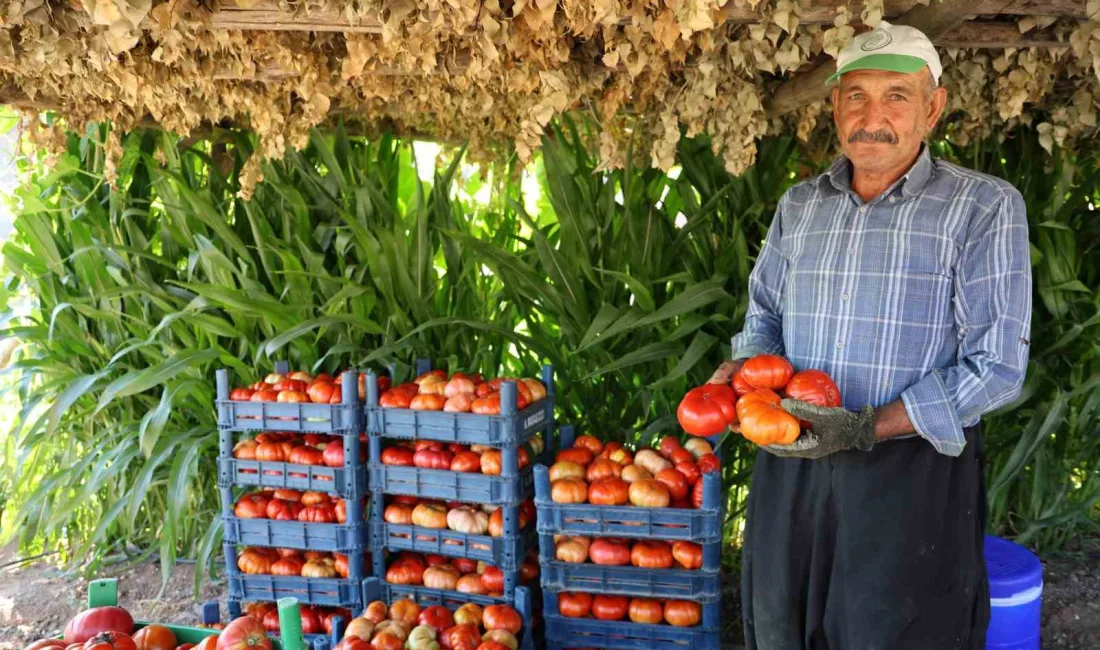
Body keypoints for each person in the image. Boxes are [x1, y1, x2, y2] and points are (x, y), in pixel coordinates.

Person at [711, 21, 1033, 650]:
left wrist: (866, 427)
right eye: (856, 95)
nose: (872, 116)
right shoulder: (800, 206)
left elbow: (996, 367)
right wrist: (745, 374)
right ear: (834, 105)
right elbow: (764, 318)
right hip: (791, 461)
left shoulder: (982, 207)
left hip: (908, 474)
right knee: (780, 626)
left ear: (932, 107)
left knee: (894, 634)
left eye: (897, 96)